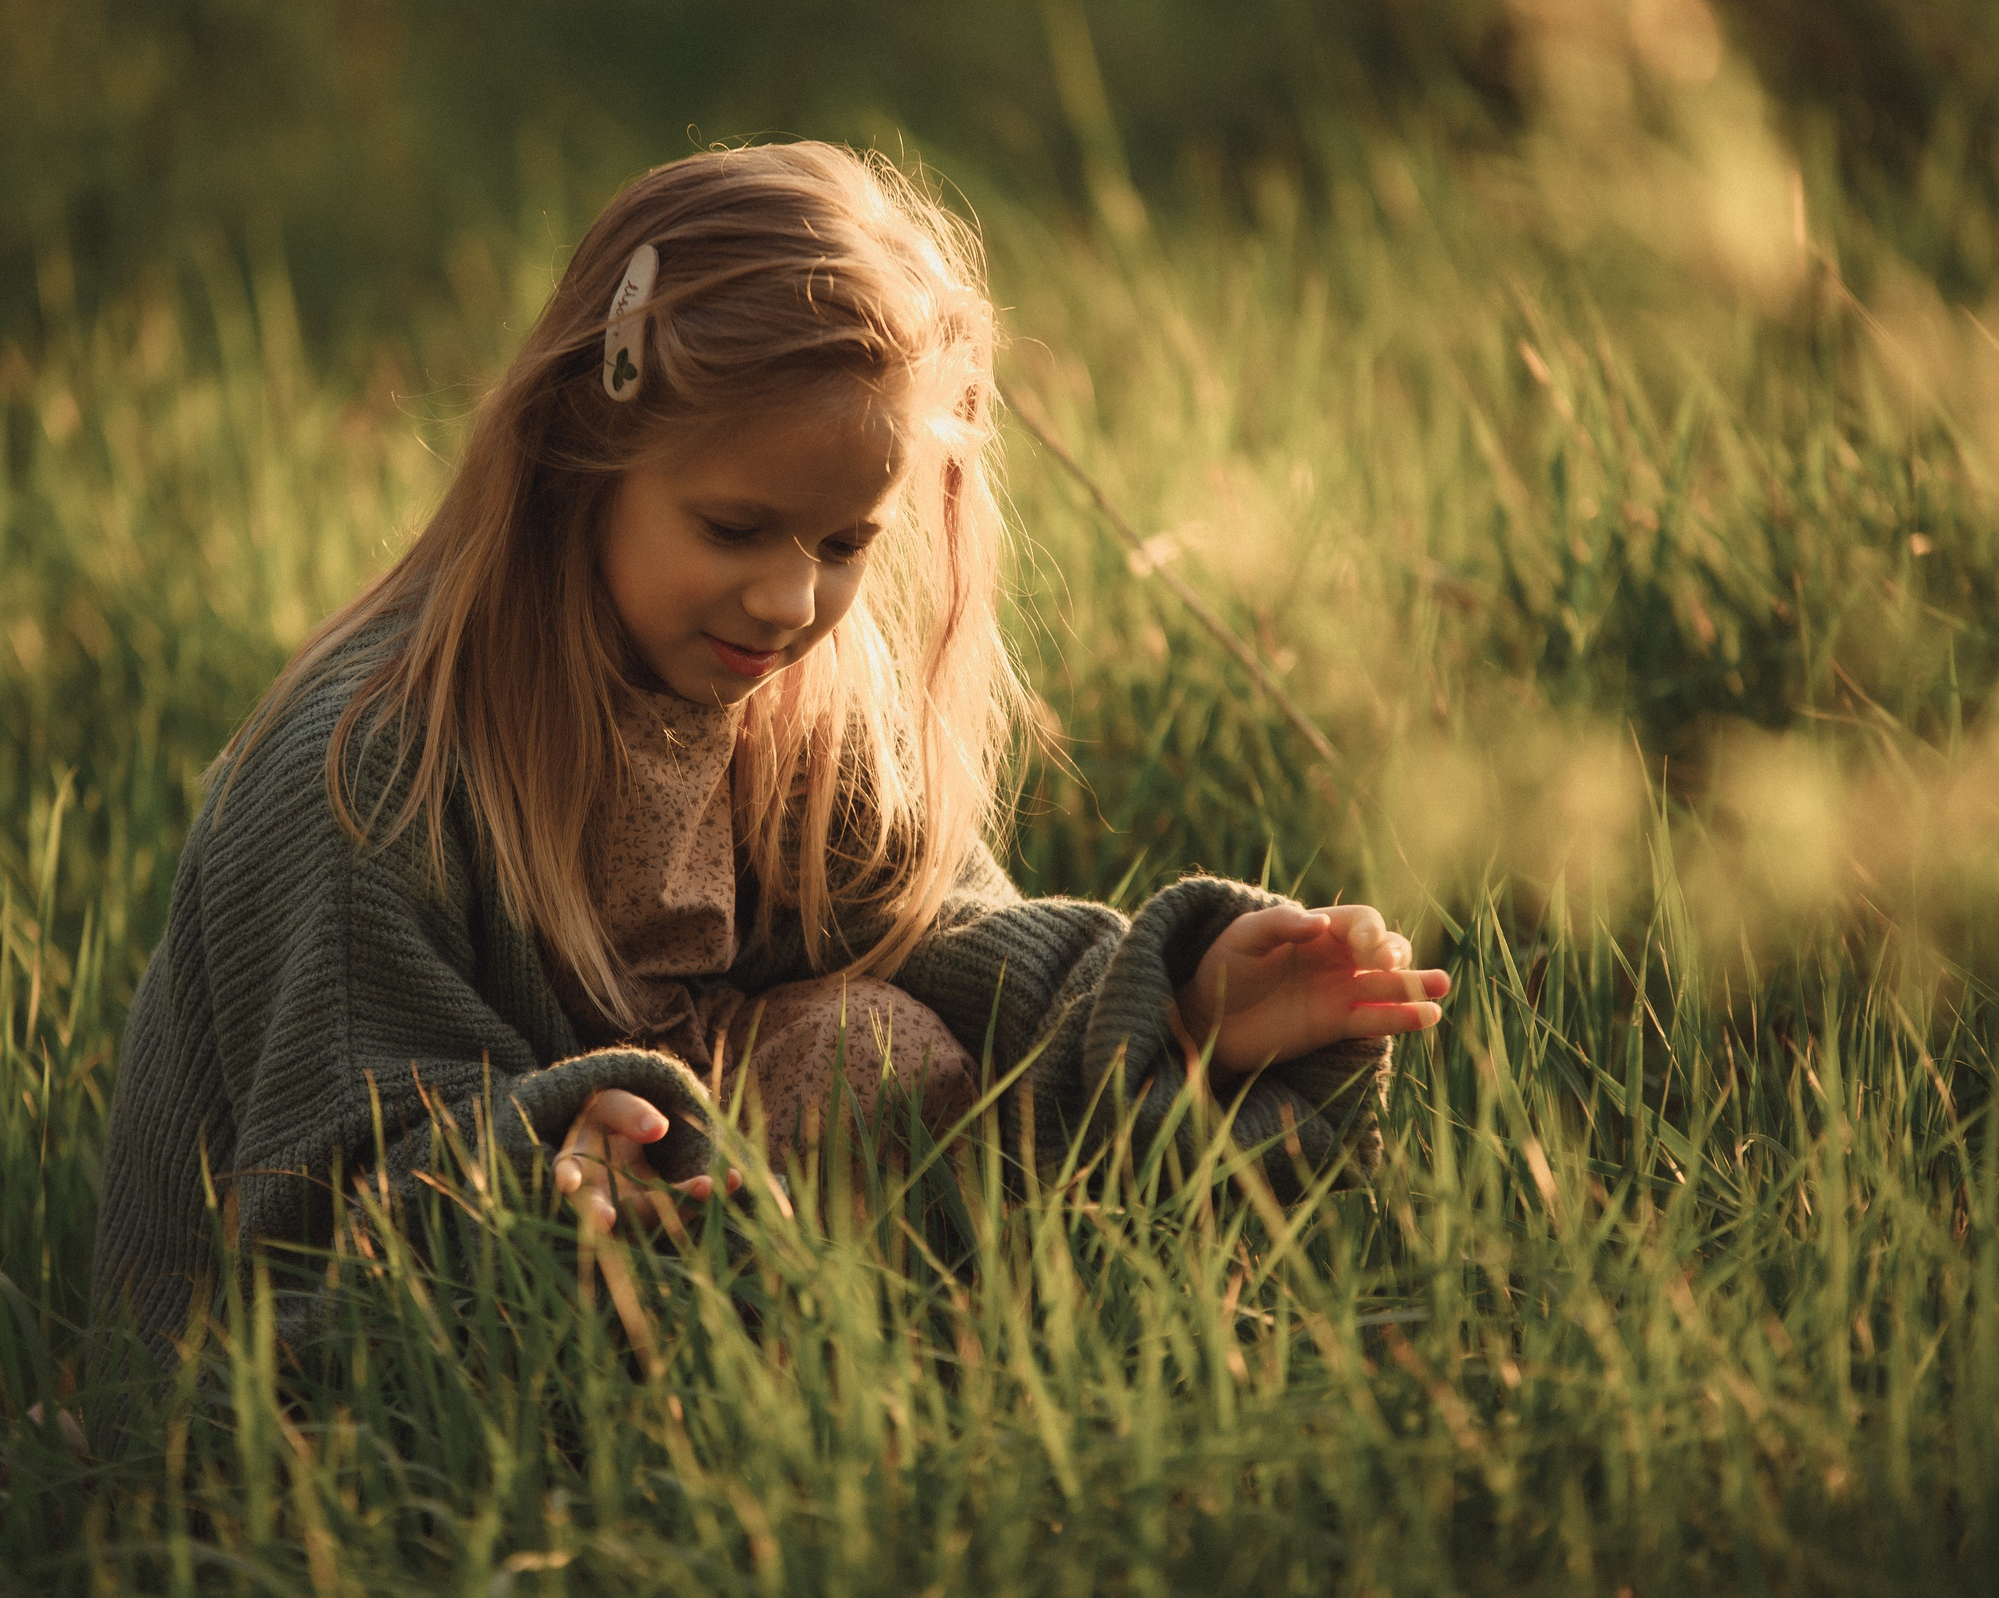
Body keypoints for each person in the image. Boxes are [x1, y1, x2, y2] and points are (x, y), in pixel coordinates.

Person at [90, 142, 1448, 1364]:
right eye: (736, 530)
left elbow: (942, 935)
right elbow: (325, 1177)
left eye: (846, 545)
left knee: (889, 1049)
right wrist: (543, 1163)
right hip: (352, 1311)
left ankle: (906, 1357)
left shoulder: (796, 702)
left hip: (694, 1201)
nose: (794, 603)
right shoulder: (369, 767)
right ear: (579, 455)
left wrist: (1188, 1005)